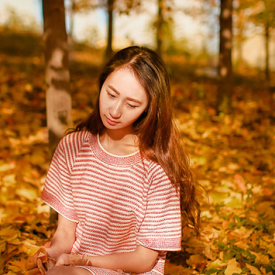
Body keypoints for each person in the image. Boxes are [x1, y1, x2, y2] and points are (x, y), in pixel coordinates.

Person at [25, 46, 201, 275]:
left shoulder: (157, 171)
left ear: (150, 108)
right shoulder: (72, 148)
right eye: (111, 94)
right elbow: (65, 234)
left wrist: (83, 261)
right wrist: (51, 254)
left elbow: (144, 260)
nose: (115, 111)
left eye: (131, 104)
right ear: (101, 84)